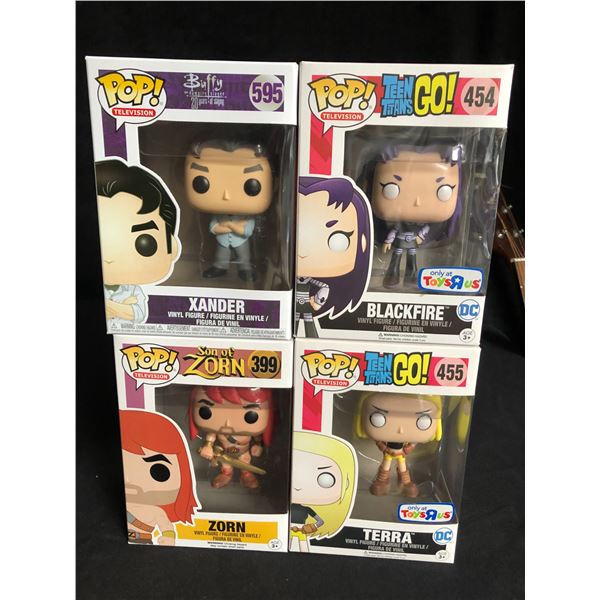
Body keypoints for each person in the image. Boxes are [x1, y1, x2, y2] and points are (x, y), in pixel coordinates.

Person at [95, 159, 180, 324]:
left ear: (172, 247)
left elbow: (139, 314)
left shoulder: (133, 290)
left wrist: (110, 307)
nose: (109, 257)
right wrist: (122, 308)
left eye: (144, 243)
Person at [295, 176, 372, 337]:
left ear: (363, 243)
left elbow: (325, 287)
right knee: (294, 324)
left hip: (308, 305)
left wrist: (317, 301)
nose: (304, 252)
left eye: (337, 239)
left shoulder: (310, 281)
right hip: (292, 306)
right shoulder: (289, 279)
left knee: (309, 324)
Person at [120, 410, 199, 545]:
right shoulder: (128, 504)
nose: (130, 481)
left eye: (159, 471)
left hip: (144, 542)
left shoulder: (157, 512)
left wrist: (169, 538)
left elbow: (167, 527)